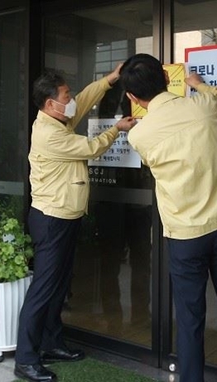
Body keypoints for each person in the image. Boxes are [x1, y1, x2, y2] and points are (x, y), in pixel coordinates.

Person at [120, 54, 217, 382]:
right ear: (169, 79)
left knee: (190, 320)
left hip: (184, 236)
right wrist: (199, 85)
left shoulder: (139, 135)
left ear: (132, 98)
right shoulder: (204, 105)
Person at [14, 65, 137, 382]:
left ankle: (52, 343)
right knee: (43, 289)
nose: (71, 100)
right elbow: (91, 148)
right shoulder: (50, 134)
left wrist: (111, 79)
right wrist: (116, 129)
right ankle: (26, 358)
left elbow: (83, 100)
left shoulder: (59, 117)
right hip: (51, 220)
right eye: (65, 96)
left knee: (58, 285)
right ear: (50, 103)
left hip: (65, 217)